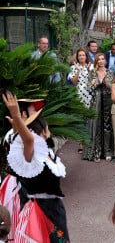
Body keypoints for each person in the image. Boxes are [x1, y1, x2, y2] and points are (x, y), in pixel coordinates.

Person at [2, 92, 69, 242]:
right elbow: (29, 140)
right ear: (44, 131)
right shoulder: (33, 155)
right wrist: (17, 118)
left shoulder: (47, 153)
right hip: (40, 211)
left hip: (55, 210)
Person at [82, 53, 114, 162]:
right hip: (96, 101)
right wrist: (93, 84)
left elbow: (112, 87)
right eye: (98, 59)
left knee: (107, 125)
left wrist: (105, 82)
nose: (101, 61)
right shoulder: (92, 72)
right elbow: (88, 88)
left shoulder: (110, 72)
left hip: (107, 100)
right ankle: (96, 152)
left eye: (102, 59)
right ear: (96, 61)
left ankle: (108, 151)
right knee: (95, 125)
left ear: (105, 61)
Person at [69, 48, 93, 153]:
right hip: (79, 96)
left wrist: (88, 71)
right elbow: (73, 82)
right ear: (77, 57)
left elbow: (93, 80)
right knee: (81, 121)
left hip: (90, 96)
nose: (82, 57)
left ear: (86, 56)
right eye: (80, 55)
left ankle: (90, 143)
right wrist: (78, 71)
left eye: (83, 55)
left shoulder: (91, 67)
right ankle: (81, 144)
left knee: (89, 120)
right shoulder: (73, 68)